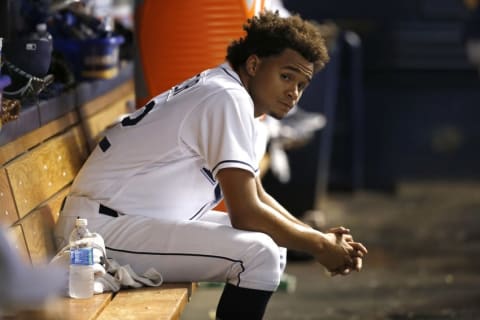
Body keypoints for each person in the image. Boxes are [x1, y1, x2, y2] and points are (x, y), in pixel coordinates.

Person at [54, 11, 367, 319]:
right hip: (97, 233)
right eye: (286, 76)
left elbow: (256, 194)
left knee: (272, 242)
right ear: (255, 64)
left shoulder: (228, 90)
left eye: (302, 84)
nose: (293, 93)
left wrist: (320, 238)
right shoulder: (227, 97)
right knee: (259, 254)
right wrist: (320, 246)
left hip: (126, 221)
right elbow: (245, 213)